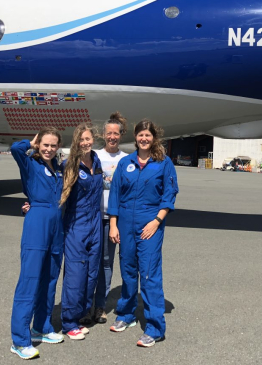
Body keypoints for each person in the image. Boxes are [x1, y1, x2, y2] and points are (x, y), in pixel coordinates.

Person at [107, 119, 179, 348]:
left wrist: (157, 221)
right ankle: (126, 314)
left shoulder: (163, 163)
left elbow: (169, 194)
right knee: (127, 270)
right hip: (125, 222)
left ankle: (155, 327)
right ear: (135, 137)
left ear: (154, 138)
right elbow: (115, 194)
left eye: (148, 135)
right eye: (140, 135)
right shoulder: (126, 162)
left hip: (150, 223)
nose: (144, 139)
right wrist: (113, 224)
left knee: (148, 274)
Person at [10, 128, 65, 360]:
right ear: (39, 144)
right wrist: (30, 144)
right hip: (37, 224)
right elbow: (15, 149)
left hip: (56, 225)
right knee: (30, 280)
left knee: (50, 278)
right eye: (45, 145)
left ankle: (41, 326)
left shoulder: (58, 170)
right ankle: (20, 341)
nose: (49, 149)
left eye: (53, 146)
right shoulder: (30, 164)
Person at [81, 112, 129, 325]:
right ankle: (84, 305)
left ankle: (100, 305)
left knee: (106, 263)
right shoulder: (94, 156)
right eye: (109, 133)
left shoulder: (125, 160)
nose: (112, 137)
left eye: (116, 133)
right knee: (89, 262)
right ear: (103, 134)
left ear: (121, 135)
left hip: (113, 220)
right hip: (92, 218)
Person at [59, 123, 104, 340]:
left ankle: (78, 316)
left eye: (88, 139)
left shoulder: (96, 161)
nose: (86, 143)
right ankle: (68, 322)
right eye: (82, 140)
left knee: (91, 274)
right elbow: (58, 192)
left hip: (95, 224)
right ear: (76, 142)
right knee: (75, 275)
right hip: (76, 225)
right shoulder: (71, 165)